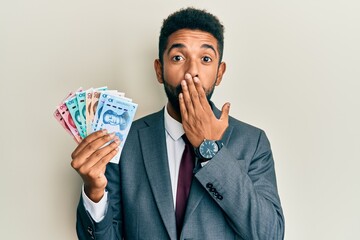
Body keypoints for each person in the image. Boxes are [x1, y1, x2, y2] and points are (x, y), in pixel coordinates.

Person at [71, 7, 285, 240]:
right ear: (159, 70)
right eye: (178, 58)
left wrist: (210, 152)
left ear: (220, 73)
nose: (191, 72)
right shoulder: (123, 140)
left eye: (205, 59)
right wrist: (94, 193)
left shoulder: (252, 142)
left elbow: (270, 234)